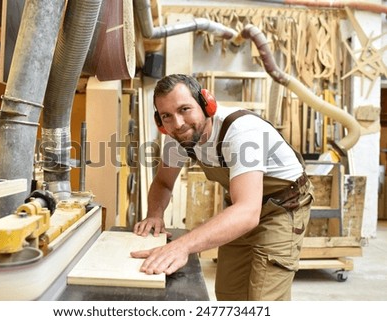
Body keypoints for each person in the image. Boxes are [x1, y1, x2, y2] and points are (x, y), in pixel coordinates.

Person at [131, 73, 314, 301]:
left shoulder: (240, 132)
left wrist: (181, 246)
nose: (177, 123)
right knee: (230, 293)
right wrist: (154, 215)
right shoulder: (178, 138)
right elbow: (163, 182)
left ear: (206, 103)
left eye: (185, 109)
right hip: (240, 205)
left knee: (264, 300)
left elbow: (248, 213)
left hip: (283, 208)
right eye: (167, 116)